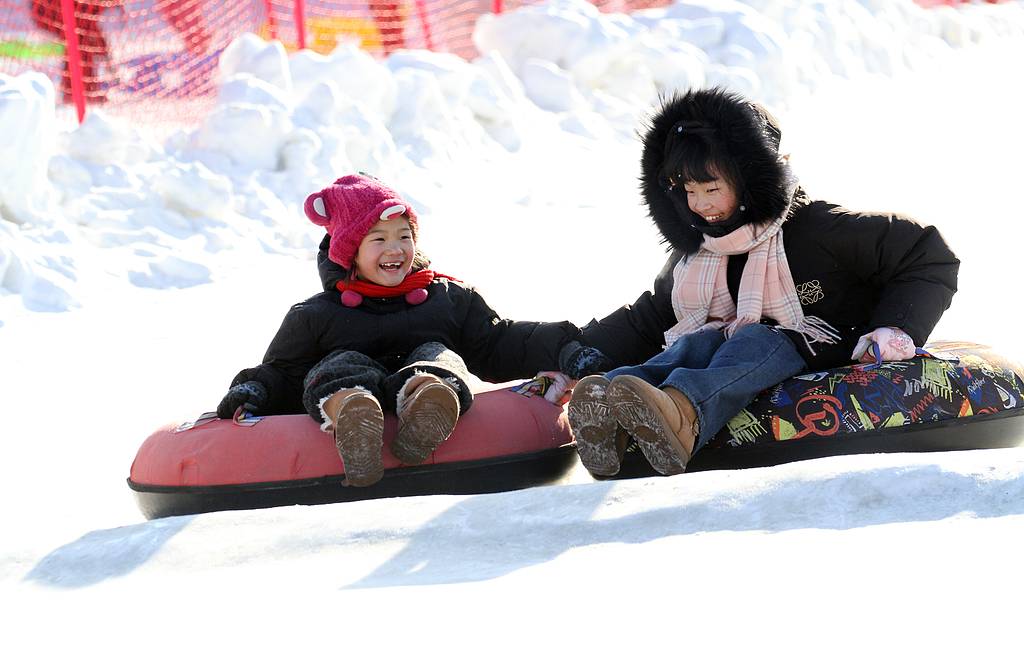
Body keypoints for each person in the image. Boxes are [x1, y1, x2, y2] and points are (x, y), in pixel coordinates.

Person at [567, 87, 959, 478]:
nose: (699, 205)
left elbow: (925, 251)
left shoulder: (819, 230)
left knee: (755, 339)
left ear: (752, 182)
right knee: (697, 341)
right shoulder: (700, 254)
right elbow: (648, 320)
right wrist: (569, 355)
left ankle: (683, 414)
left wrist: (897, 327)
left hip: (827, 341)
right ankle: (612, 403)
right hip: (737, 344)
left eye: (712, 189)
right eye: (689, 191)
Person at [217, 173, 609, 487]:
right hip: (350, 385)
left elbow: (498, 341)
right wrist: (255, 389)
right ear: (349, 251)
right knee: (340, 364)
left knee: (436, 355)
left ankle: (428, 405)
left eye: (404, 236)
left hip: (424, 378)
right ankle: (354, 419)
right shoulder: (316, 315)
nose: (396, 249)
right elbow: (286, 372)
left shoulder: (448, 297)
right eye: (379, 239)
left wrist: (564, 347)